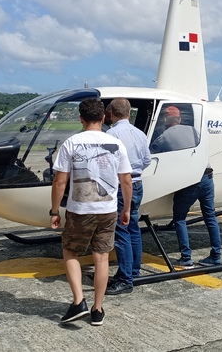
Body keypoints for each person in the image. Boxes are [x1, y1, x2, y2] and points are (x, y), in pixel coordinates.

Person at [50, 98, 133, 326]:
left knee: (70, 252)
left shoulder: (71, 143)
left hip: (80, 210)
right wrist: (126, 208)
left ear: (81, 119)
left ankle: (79, 301)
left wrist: (55, 210)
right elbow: (126, 180)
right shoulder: (116, 144)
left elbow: (60, 181)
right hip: (108, 210)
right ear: (104, 118)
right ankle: (97, 309)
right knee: (102, 258)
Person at [104, 99, 152, 295]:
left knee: (121, 231)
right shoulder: (139, 134)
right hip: (137, 183)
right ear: (129, 114)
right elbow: (147, 159)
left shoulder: (111, 134)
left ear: (111, 114)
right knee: (133, 228)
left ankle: (125, 279)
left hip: (121, 185)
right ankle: (133, 271)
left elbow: (106, 162)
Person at [171, 166, 222, 268]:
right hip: (207, 177)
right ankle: (216, 255)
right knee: (210, 216)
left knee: (180, 218)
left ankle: (186, 257)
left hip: (191, 179)